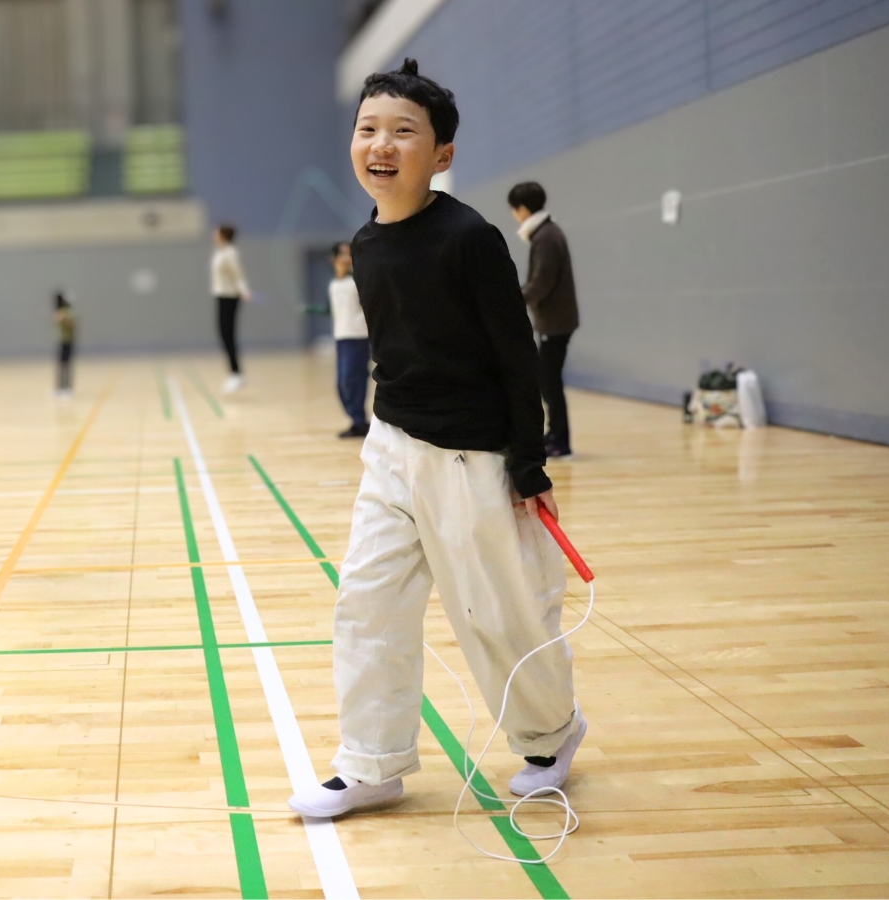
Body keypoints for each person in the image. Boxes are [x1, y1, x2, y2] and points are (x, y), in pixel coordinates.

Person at [287, 59, 584, 819]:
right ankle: (373, 762)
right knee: (367, 603)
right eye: (368, 129)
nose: (381, 144)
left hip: (471, 458)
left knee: (497, 615)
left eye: (403, 131)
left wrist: (527, 461)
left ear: (442, 153)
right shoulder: (366, 242)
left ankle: (552, 734)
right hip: (391, 447)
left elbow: (514, 353)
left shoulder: (469, 239)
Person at [508, 181, 579, 458]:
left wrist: (512, 301)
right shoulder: (546, 233)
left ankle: (560, 441)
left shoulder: (546, 237)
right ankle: (555, 435)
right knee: (547, 380)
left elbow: (541, 282)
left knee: (550, 382)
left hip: (556, 322)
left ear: (523, 209)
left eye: (514, 209)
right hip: (555, 320)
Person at [328, 241, 370, 438]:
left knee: (353, 379)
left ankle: (359, 421)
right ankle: (357, 420)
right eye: (343, 254)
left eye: (350, 254)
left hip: (358, 337)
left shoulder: (358, 282)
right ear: (333, 259)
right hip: (341, 337)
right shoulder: (334, 285)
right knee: (342, 383)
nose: (347, 258)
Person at [210, 224, 251, 394]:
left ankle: (236, 374)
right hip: (221, 296)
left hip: (230, 297)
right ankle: (235, 373)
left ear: (223, 235)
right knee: (224, 335)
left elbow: (237, 274)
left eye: (217, 232)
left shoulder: (230, 253)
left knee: (228, 335)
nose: (214, 234)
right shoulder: (220, 252)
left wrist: (244, 290)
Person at [54, 291, 76, 398]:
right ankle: (60, 387)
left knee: (66, 365)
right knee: (61, 364)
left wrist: (63, 319)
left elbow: (72, 324)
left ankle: (67, 388)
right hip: (62, 341)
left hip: (68, 341)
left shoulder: (68, 312)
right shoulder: (61, 311)